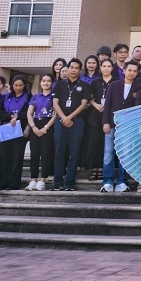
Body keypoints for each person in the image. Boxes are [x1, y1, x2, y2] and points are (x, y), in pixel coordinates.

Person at [101, 60, 141, 193]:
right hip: (112, 124)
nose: (132, 73)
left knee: (125, 154)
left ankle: (122, 181)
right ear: (124, 71)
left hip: (127, 127)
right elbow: (107, 104)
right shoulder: (114, 85)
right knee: (108, 154)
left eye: (135, 71)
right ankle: (107, 181)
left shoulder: (139, 87)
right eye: (129, 70)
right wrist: (105, 122)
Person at [52, 59, 89, 191]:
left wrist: (70, 117)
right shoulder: (59, 85)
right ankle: (57, 183)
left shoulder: (84, 85)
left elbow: (83, 104)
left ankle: (69, 183)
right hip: (60, 121)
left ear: (80, 70)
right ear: (68, 69)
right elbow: (55, 103)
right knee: (59, 152)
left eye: (76, 68)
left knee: (74, 153)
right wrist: (64, 118)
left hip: (77, 121)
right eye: (71, 67)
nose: (73, 70)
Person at [85, 60, 118, 182]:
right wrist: (96, 105)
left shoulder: (116, 82)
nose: (106, 68)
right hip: (96, 114)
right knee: (95, 142)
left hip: (110, 115)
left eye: (109, 66)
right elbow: (88, 98)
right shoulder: (95, 82)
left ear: (112, 68)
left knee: (108, 144)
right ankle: (95, 168)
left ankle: (105, 169)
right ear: (101, 68)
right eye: (104, 66)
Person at [0, 75, 31, 191]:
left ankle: (14, 183)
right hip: (7, 129)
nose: (18, 87)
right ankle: (3, 182)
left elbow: (28, 112)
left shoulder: (28, 97)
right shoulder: (6, 97)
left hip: (20, 130)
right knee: (5, 156)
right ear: (12, 85)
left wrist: (18, 118)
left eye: (20, 85)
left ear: (24, 85)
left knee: (17, 157)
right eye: (16, 85)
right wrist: (10, 116)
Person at [26, 73, 57, 191]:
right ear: (40, 82)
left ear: (52, 83)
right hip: (35, 125)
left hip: (48, 125)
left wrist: (46, 127)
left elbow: (55, 114)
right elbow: (29, 113)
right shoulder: (35, 96)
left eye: (48, 81)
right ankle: (33, 179)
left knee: (46, 153)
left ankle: (42, 180)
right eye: (43, 80)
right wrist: (33, 127)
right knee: (34, 154)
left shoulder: (54, 96)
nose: (46, 83)